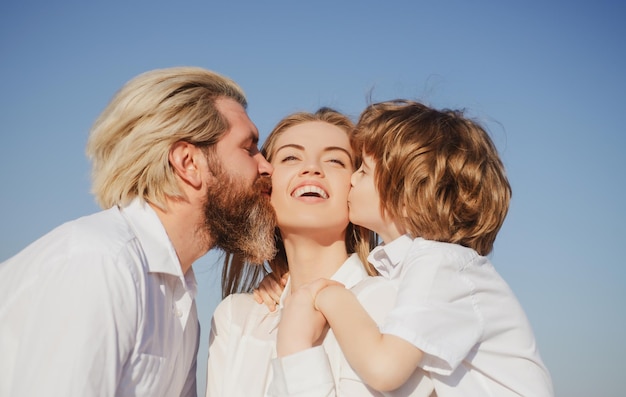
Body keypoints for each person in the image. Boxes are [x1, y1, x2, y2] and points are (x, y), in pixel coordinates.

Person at [0, 66, 277, 397]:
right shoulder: (98, 263)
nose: (266, 166)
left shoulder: (181, 296)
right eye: (248, 148)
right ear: (188, 163)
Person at [278, 99, 555, 396]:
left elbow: (384, 370)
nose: (352, 179)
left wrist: (330, 296)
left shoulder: (439, 263)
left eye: (364, 171)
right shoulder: (420, 266)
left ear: (407, 195)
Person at [206, 108, 435, 396]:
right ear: (265, 185)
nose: (312, 168)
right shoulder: (235, 317)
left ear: (357, 186)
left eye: (335, 160)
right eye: (290, 157)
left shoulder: (398, 305)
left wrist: (296, 346)